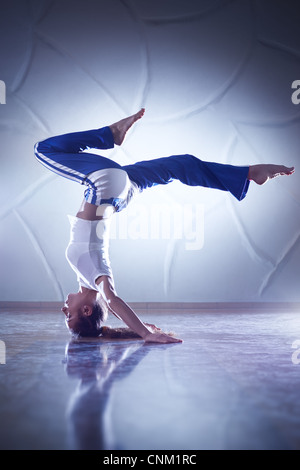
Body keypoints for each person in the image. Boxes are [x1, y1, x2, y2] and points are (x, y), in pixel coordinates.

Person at [34, 108, 295, 343]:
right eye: (69, 316)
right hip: (104, 186)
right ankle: (110, 134)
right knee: (42, 150)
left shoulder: (84, 277)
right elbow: (112, 301)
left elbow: (108, 305)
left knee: (180, 165)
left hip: (122, 193)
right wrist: (145, 333)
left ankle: (248, 175)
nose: (63, 310)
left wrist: (133, 329)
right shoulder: (95, 273)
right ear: (87, 310)